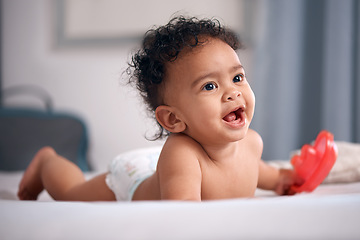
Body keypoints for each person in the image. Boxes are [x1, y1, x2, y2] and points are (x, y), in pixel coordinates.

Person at [18, 16, 302, 202]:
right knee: (72, 193)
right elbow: (180, 215)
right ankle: (47, 162)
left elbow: (257, 171)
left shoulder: (252, 143)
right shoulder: (182, 154)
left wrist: (281, 179)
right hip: (134, 182)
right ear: (174, 119)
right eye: (209, 86)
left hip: (159, 167)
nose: (233, 92)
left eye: (237, 77)